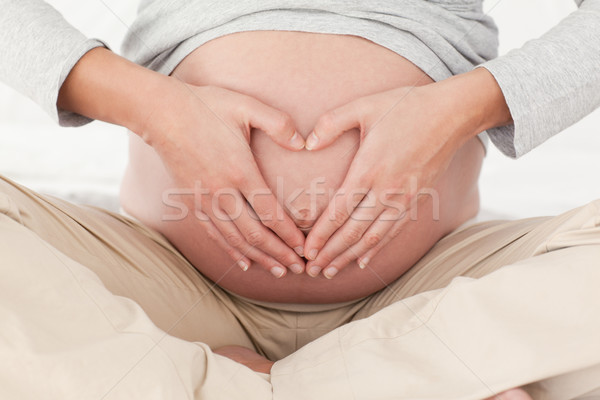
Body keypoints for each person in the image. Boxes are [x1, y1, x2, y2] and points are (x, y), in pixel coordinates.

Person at [1, 0, 599, 399]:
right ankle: (410, 382)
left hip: (428, 291)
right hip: (164, 283)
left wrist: (458, 109)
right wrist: (154, 108)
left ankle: (221, 385)